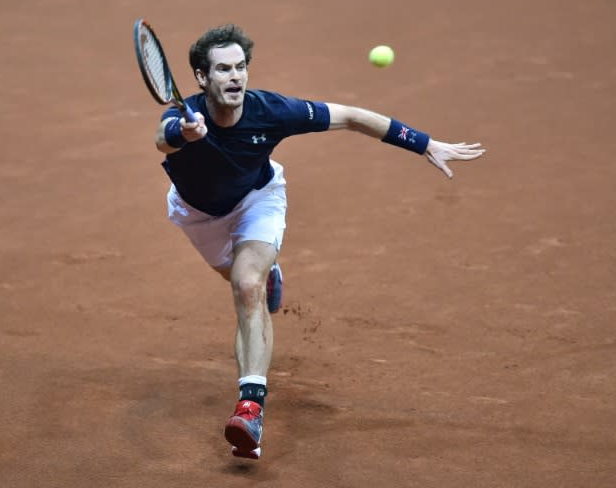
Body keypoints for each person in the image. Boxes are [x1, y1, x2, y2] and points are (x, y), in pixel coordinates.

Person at [154, 24, 485, 460]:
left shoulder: (271, 110)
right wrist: (184, 134)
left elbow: (350, 116)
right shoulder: (185, 116)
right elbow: (163, 139)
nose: (235, 77)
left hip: (257, 200)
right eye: (222, 69)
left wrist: (423, 143)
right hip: (199, 215)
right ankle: (269, 273)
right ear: (201, 78)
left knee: (246, 285)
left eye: (240, 67)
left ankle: (250, 409)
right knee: (238, 277)